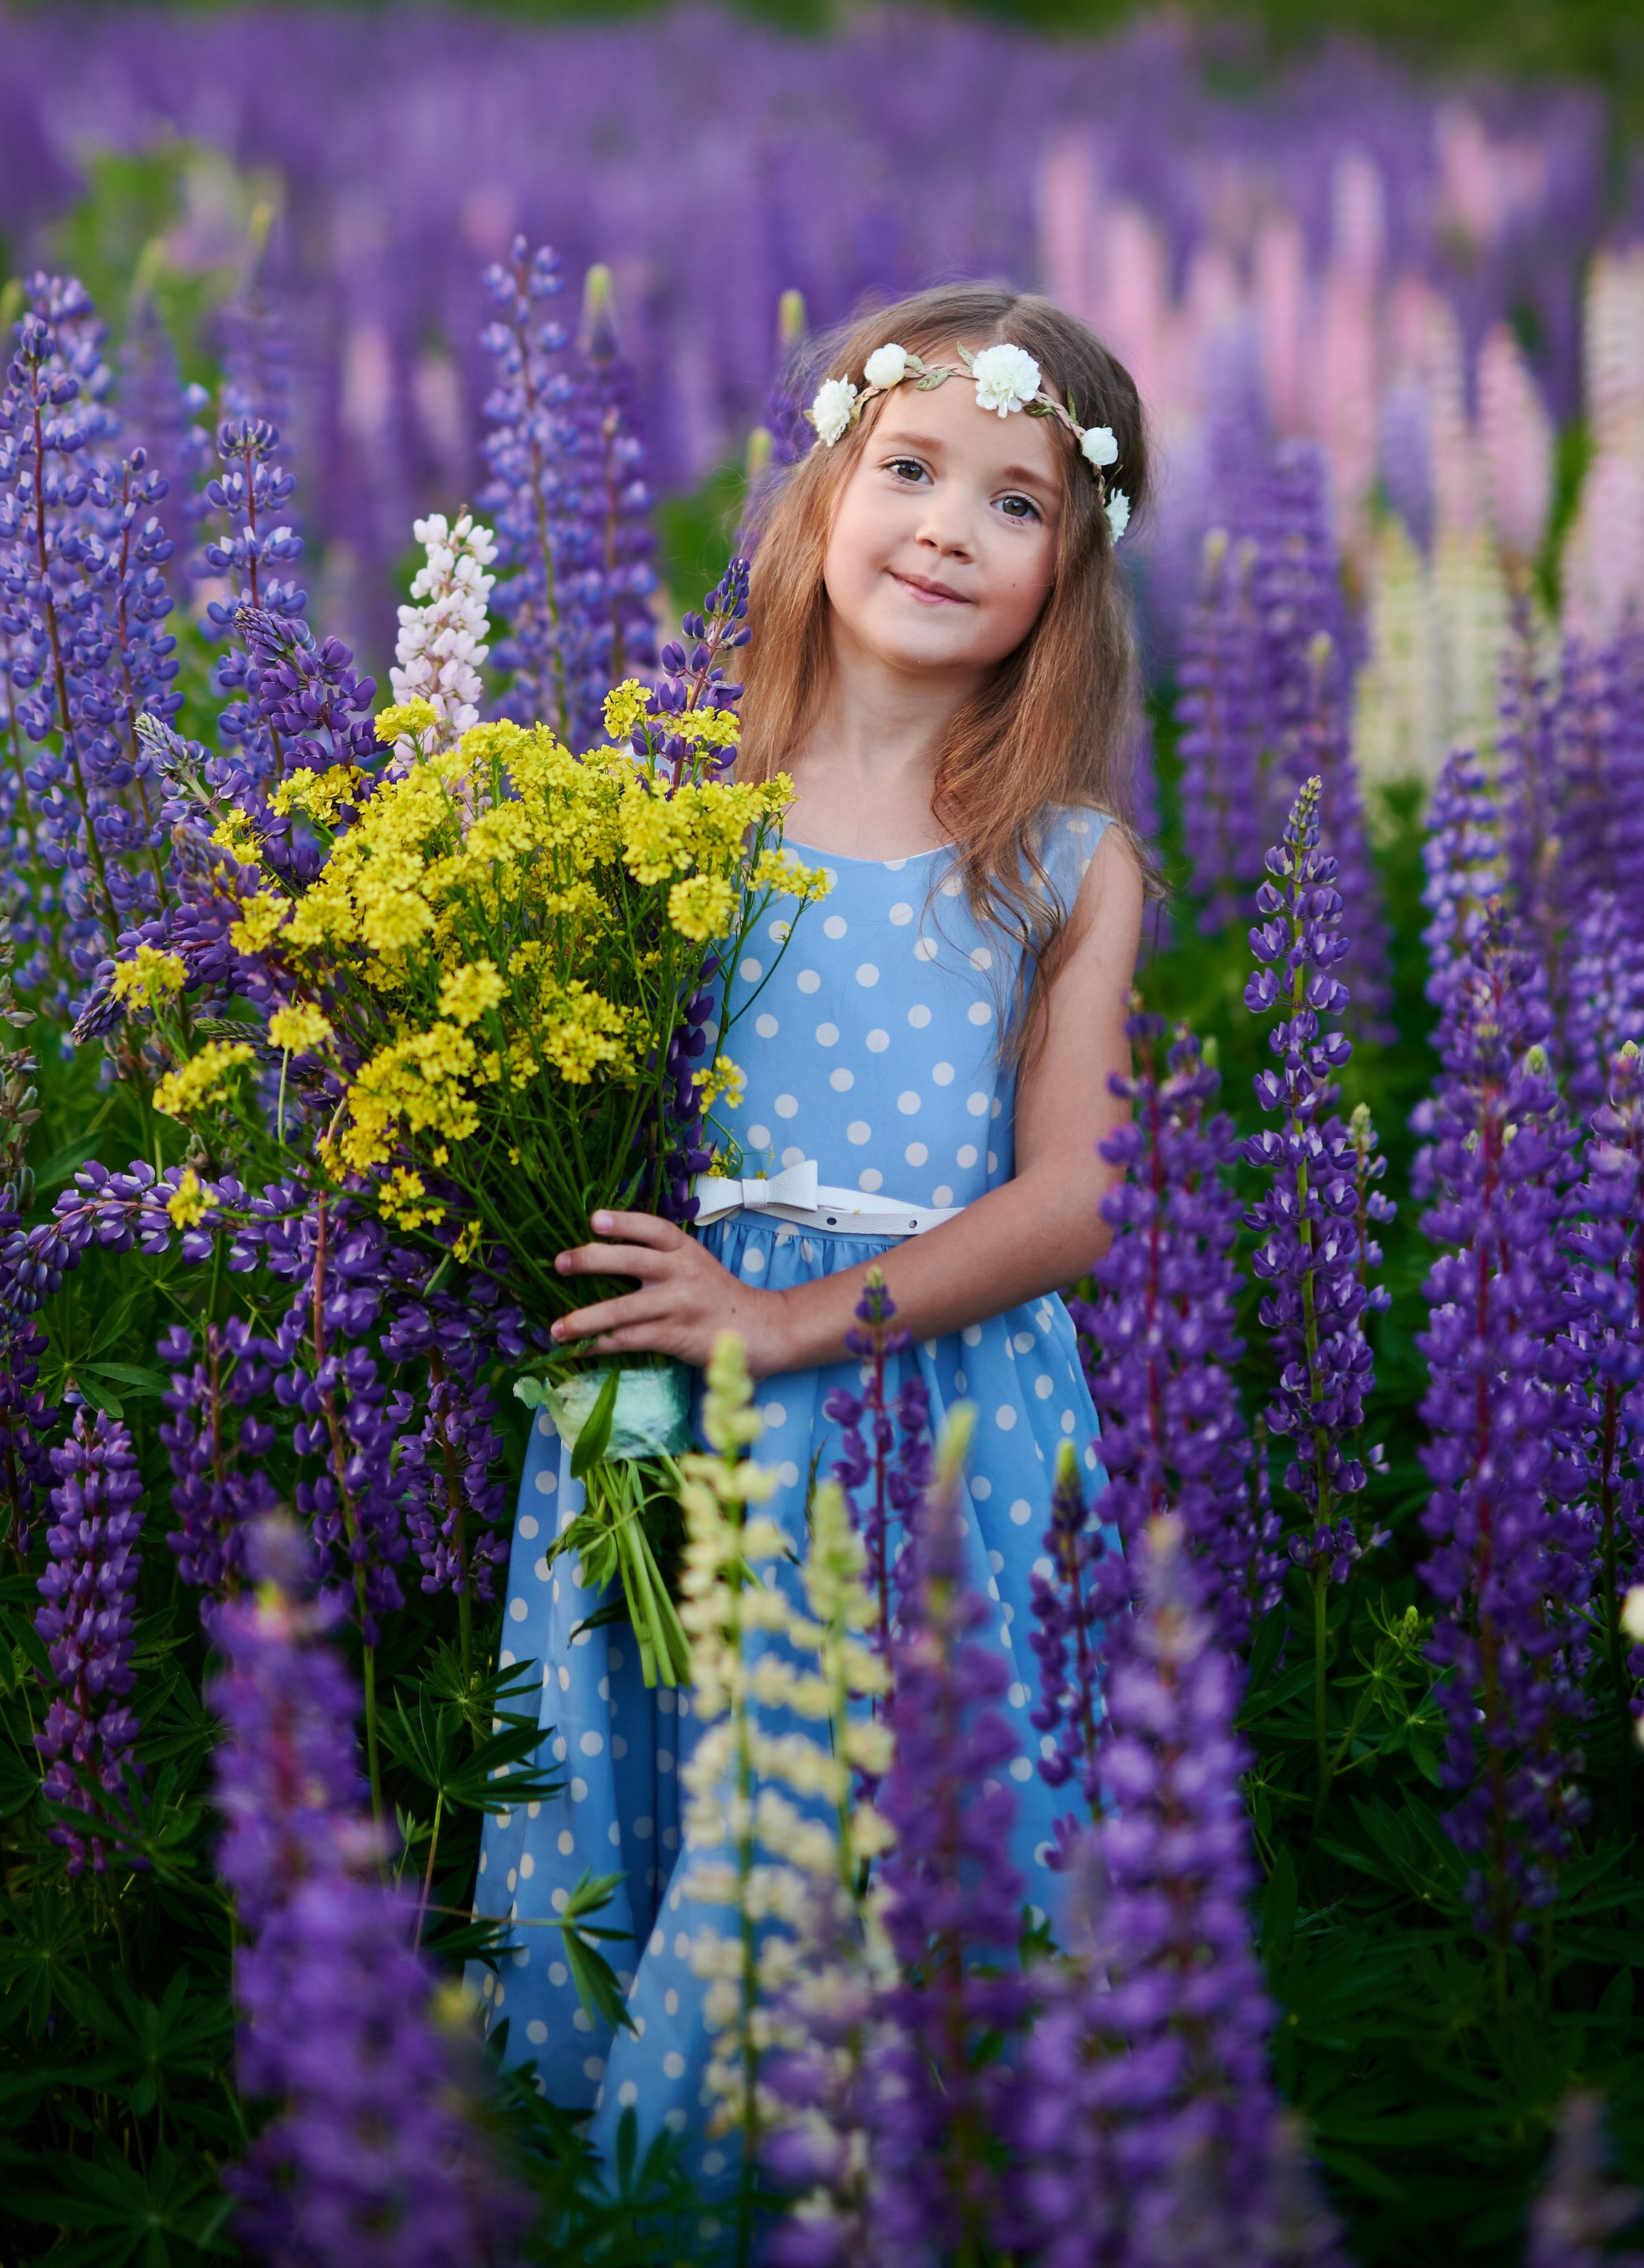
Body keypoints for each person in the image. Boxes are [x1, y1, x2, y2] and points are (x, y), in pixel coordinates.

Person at [476, 281, 1150, 2166]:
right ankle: (633, 2196)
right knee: (673, 1830)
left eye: (1014, 502)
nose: (946, 523)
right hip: (663, 1405)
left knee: (876, 1841)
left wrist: (791, 1319)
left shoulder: (1061, 859)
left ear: (1066, 577)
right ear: (821, 497)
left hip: (930, 1421)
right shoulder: (669, 800)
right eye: (910, 468)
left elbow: (1076, 1192)